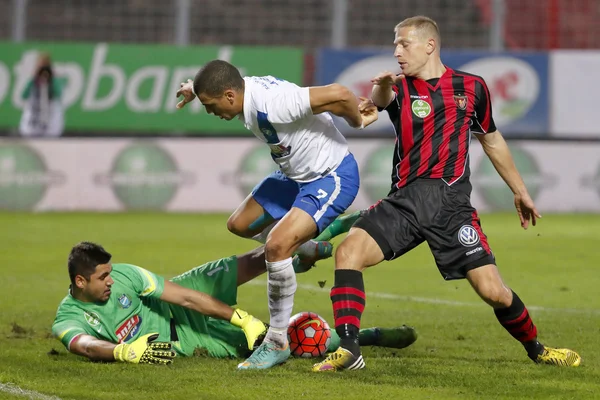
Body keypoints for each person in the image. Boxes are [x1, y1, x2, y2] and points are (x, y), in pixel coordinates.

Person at [312, 16, 581, 372]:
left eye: (404, 44)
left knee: (493, 292)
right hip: (405, 201)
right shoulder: (400, 88)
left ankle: (538, 349)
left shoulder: (472, 87)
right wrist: (380, 88)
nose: (397, 52)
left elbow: (491, 138)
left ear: (429, 45)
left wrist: (520, 191)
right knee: (348, 252)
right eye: (395, 44)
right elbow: (376, 103)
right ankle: (349, 349)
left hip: (450, 205)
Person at [175, 60, 378, 369]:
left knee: (276, 247)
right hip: (293, 174)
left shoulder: (274, 104)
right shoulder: (243, 91)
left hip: (329, 176)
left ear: (230, 95)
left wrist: (357, 120)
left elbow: (339, 93)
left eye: (209, 104)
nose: (209, 111)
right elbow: (225, 81)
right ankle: (307, 245)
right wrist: (195, 89)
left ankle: (277, 342)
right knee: (240, 224)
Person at [52, 242, 418, 365]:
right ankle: (365, 337)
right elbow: (81, 344)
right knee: (283, 344)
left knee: (230, 267)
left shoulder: (127, 275)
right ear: (80, 282)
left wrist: (240, 316)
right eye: (103, 278)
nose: (112, 281)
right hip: (188, 342)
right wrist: (120, 352)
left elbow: (183, 296)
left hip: (182, 304)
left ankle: (298, 251)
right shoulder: (69, 316)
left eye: (111, 273)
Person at [19, 52, 64, 138]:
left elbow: (58, 94)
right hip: (34, 121)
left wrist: (51, 80)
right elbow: (24, 95)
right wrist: (34, 80)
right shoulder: (33, 81)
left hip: (50, 121)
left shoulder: (54, 81)